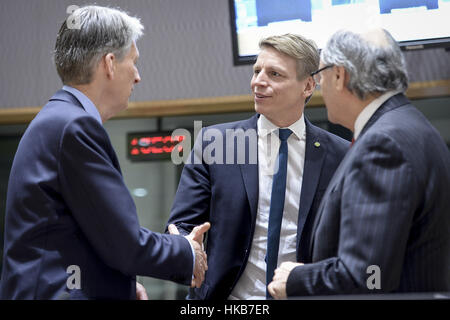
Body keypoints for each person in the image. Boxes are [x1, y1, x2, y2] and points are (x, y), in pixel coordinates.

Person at [0, 5, 209, 300]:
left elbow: (84, 238)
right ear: (110, 63)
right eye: (134, 62)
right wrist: (187, 251)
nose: (137, 76)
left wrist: (118, 287)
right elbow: (123, 243)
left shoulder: (58, 120)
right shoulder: (74, 126)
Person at [268, 28, 450, 299]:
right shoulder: (411, 125)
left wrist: (296, 279)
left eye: (320, 75)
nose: (319, 86)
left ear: (340, 75)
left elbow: (368, 275)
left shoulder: (384, 145)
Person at [167, 34, 349, 300]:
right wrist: (184, 246)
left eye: (274, 74)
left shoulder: (341, 155)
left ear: (308, 86)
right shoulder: (214, 144)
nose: (258, 81)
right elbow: (182, 226)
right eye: (257, 71)